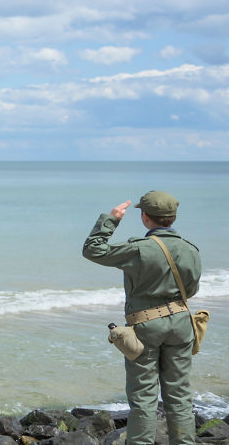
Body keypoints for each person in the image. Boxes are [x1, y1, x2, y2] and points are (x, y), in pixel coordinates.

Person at [83, 191, 202, 445]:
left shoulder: (139, 249)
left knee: (144, 397)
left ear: (145, 217)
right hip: (182, 324)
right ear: (173, 217)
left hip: (146, 326)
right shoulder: (190, 249)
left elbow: (93, 250)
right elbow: (192, 290)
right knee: (179, 395)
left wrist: (112, 219)